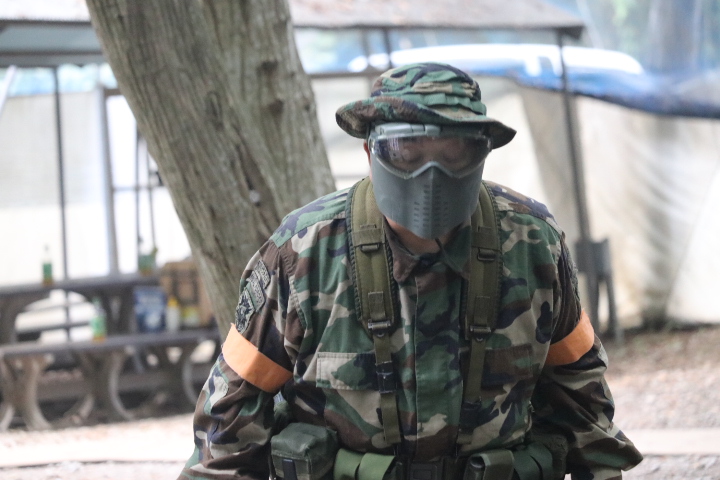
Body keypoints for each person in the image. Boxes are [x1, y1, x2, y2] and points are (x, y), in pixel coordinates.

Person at [179, 62, 642, 480]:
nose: (431, 172)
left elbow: (581, 399)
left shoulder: (532, 244)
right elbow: (230, 421)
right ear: (370, 151)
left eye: (454, 151)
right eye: (407, 149)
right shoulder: (303, 253)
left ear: (481, 154)